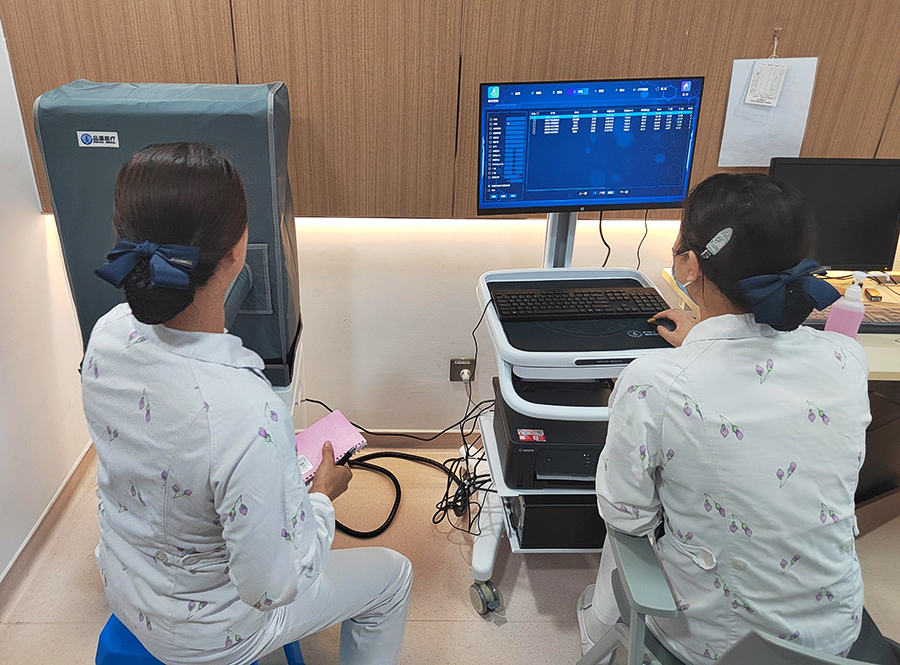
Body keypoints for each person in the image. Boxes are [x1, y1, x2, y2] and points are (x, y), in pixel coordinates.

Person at [83, 143, 413, 665]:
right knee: (393, 576)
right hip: (207, 637)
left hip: (126, 586)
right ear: (238, 252)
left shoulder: (106, 335)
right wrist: (321, 499)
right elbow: (272, 587)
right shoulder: (244, 410)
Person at [577, 173, 870, 664]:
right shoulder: (847, 358)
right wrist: (703, 337)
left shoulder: (655, 381)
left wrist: (697, 350)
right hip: (836, 636)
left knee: (626, 537)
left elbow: (627, 514)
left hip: (719, 645)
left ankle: (598, 637)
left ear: (690, 265)